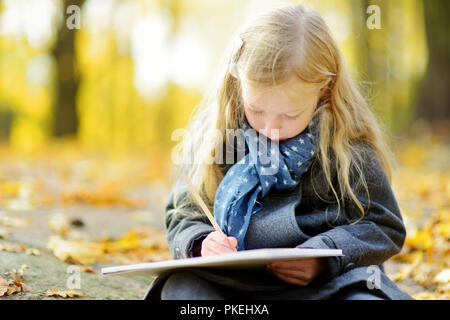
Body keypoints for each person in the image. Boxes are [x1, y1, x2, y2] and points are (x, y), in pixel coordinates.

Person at [144, 3, 413, 300]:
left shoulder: (347, 144)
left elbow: (382, 225)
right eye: (257, 109)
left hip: (328, 287)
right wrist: (201, 244)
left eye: (289, 115)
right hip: (232, 286)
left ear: (324, 88)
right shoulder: (217, 136)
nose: (270, 127)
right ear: (239, 84)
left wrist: (323, 257)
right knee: (182, 289)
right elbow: (183, 214)